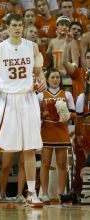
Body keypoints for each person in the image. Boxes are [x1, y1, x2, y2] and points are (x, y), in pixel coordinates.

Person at [0, 13, 46, 206]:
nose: (17, 28)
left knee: (29, 148)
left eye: (20, 25)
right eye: (14, 25)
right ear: (7, 27)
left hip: (28, 99)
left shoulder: (32, 46)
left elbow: (39, 68)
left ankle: (31, 193)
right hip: (6, 100)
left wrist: (42, 79)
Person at [38, 68, 75, 203]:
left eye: (57, 77)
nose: (55, 80)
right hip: (47, 132)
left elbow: (74, 114)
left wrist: (65, 115)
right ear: (47, 79)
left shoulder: (67, 95)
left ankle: (61, 194)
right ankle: (45, 194)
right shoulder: (41, 95)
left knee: (62, 164)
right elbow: (36, 117)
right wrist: (44, 115)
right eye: (52, 77)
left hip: (61, 132)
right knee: (45, 164)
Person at [62, 36, 90, 193]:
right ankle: (81, 191)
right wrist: (67, 46)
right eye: (87, 58)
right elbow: (64, 63)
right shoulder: (79, 73)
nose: (89, 60)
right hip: (82, 121)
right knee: (81, 156)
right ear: (84, 60)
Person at [76, 71, 90, 158]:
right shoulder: (82, 97)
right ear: (88, 80)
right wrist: (80, 137)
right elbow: (79, 120)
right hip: (87, 135)